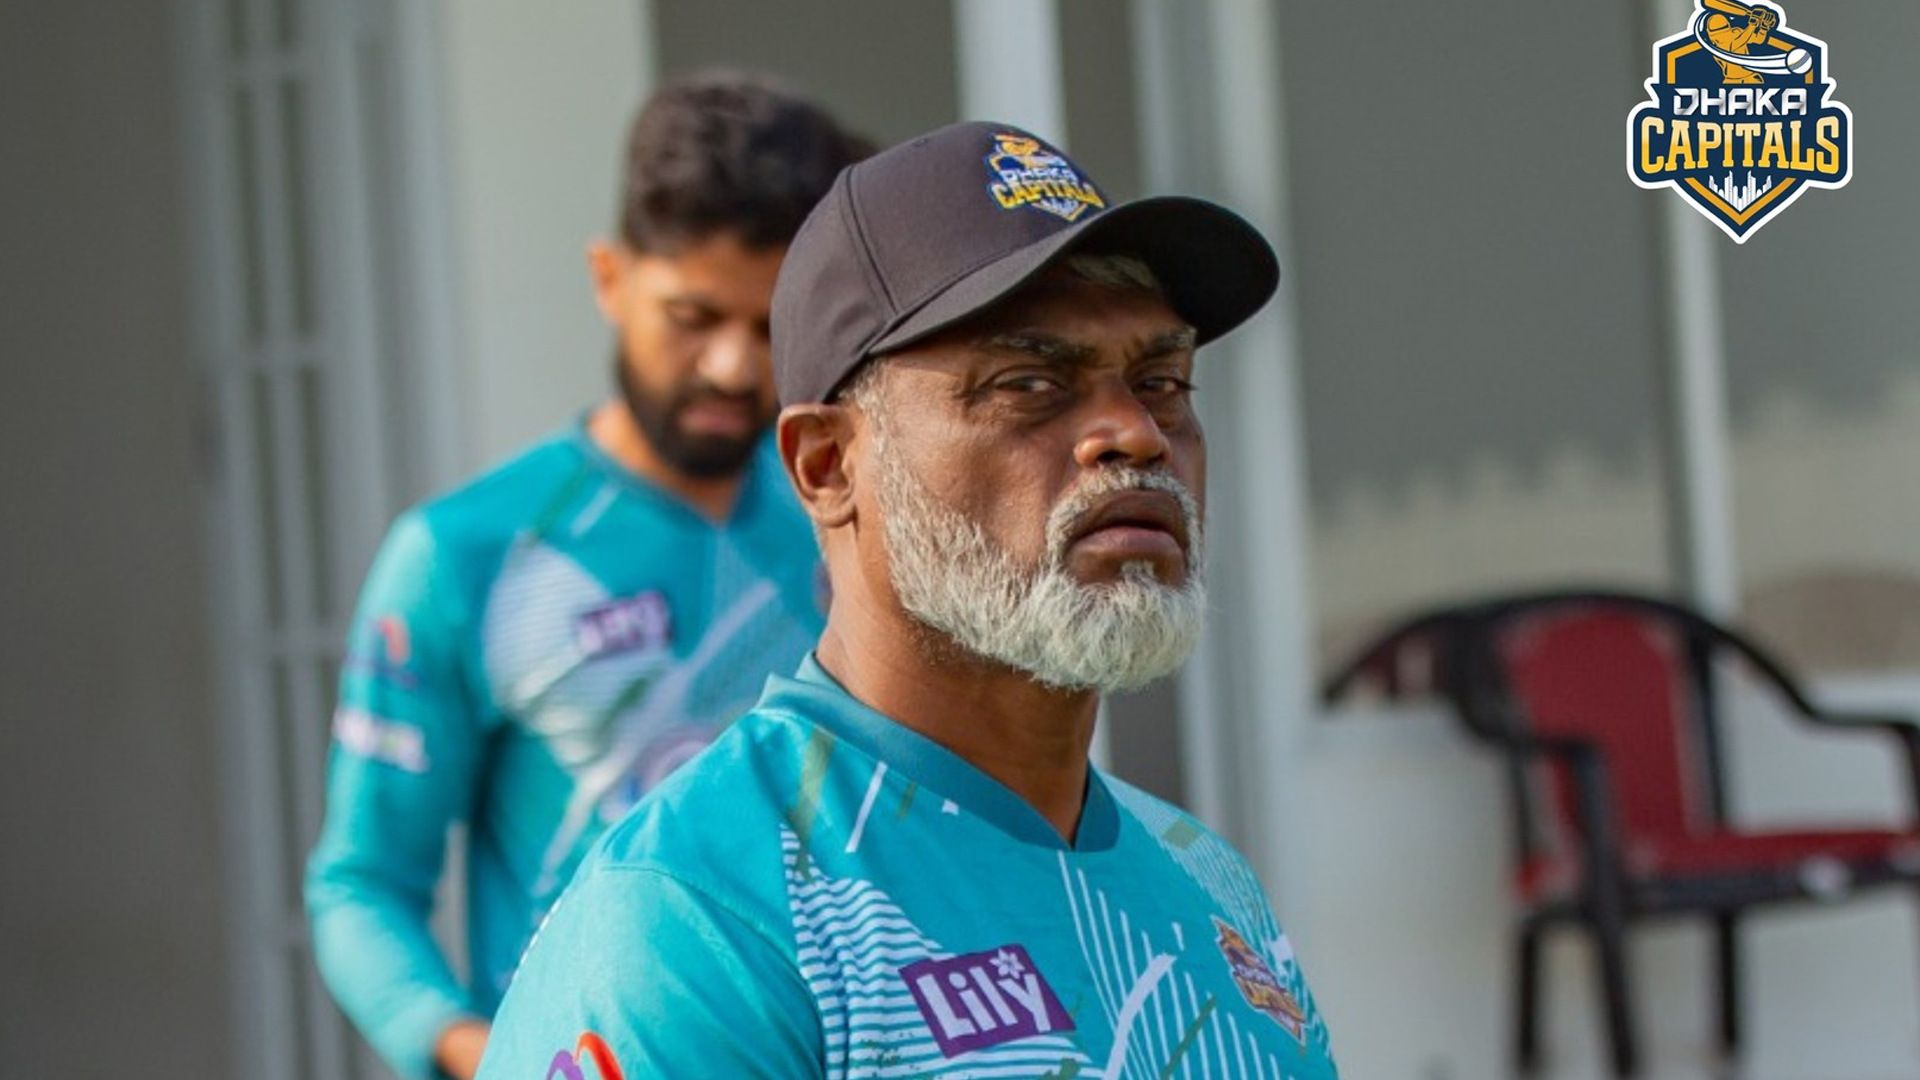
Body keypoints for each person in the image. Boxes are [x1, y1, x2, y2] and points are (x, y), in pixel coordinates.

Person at [472, 120, 1341, 1079]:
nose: (1136, 434)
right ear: (828, 464)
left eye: (1162, 381)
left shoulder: (1210, 884)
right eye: (1029, 382)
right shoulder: (703, 912)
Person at [304, 72, 870, 1080]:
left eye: (768, 326)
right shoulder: (466, 555)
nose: (734, 368)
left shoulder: (853, 518)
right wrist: (486, 1056)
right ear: (609, 278)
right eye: (693, 315)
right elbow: (360, 887)